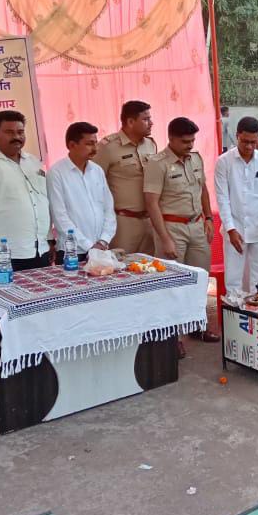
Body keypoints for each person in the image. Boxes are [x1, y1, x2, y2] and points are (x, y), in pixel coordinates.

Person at [144, 117, 220, 353]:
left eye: (192, 140)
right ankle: (173, 336)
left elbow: (203, 189)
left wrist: (209, 218)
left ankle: (197, 325)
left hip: (197, 226)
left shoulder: (195, 158)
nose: (190, 145)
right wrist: (165, 238)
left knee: (199, 280)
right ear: (171, 138)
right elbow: (151, 203)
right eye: (185, 141)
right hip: (172, 227)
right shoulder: (157, 163)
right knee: (173, 284)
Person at [0, 110, 52, 272]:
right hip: (1, 256)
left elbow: (42, 202)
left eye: (20, 132)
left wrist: (49, 240)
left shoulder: (33, 162)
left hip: (40, 251)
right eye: (9, 132)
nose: (16, 137)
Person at [214, 117, 258, 292]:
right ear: (237, 136)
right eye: (244, 141)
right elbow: (222, 198)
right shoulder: (224, 162)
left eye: (253, 142)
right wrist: (230, 229)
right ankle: (235, 308)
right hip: (235, 228)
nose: (249, 146)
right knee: (234, 278)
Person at [92, 100, 158, 254]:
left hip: (149, 221)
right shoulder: (107, 147)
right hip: (123, 222)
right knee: (120, 265)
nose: (151, 123)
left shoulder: (150, 144)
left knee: (148, 266)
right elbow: (94, 185)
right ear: (130, 122)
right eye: (145, 119)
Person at [46, 122, 116, 264]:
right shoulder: (56, 173)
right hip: (72, 251)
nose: (95, 148)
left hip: (100, 248)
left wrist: (103, 241)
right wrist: (90, 246)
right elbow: (60, 217)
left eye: (95, 143)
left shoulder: (97, 170)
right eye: (89, 144)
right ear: (72, 145)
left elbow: (109, 209)